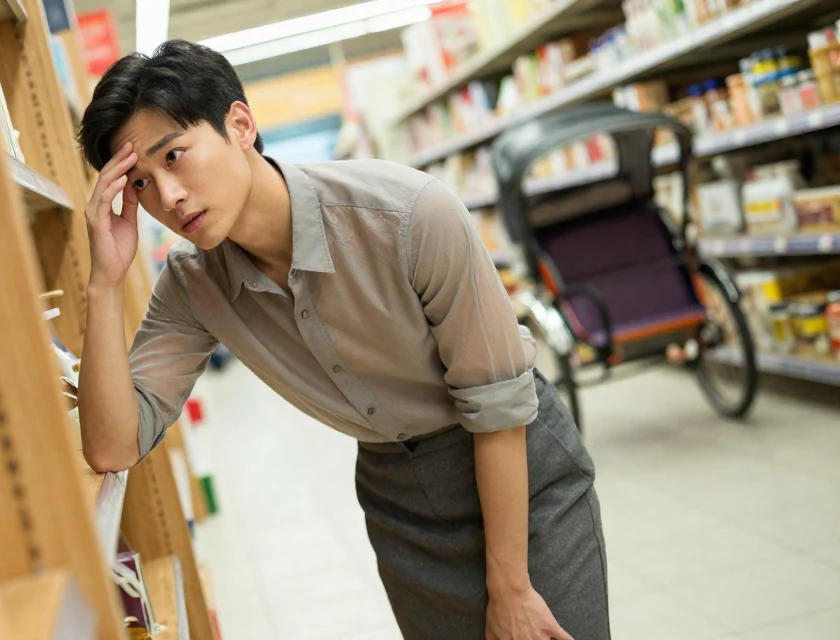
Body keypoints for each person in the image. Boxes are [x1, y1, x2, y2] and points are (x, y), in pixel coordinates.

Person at [74, 39, 610, 640]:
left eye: (174, 156)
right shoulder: (192, 285)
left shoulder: (407, 215)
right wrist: (103, 283)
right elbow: (114, 447)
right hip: (400, 504)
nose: (167, 198)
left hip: (520, 476)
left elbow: (498, 408)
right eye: (140, 184)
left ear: (241, 124)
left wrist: (510, 587)